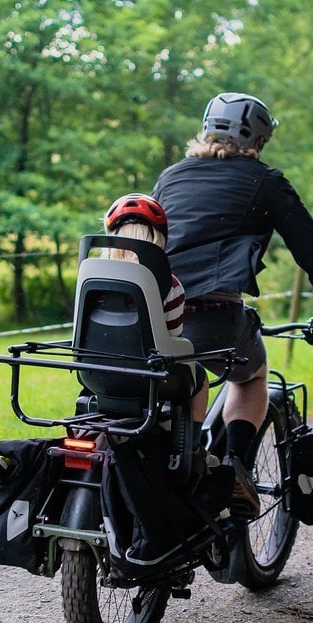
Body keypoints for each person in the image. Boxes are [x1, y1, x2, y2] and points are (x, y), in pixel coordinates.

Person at [152, 92, 313, 511]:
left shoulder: (171, 176)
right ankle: (235, 470)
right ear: (260, 138)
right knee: (250, 375)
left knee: (180, 377)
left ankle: (180, 467)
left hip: (152, 318)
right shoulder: (265, 180)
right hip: (211, 319)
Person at [102, 193, 211, 452]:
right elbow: (172, 337)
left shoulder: (94, 278)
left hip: (99, 373)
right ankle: (190, 450)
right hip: (149, 376)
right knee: (201, 378)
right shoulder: (169, 285)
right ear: (158, 239)